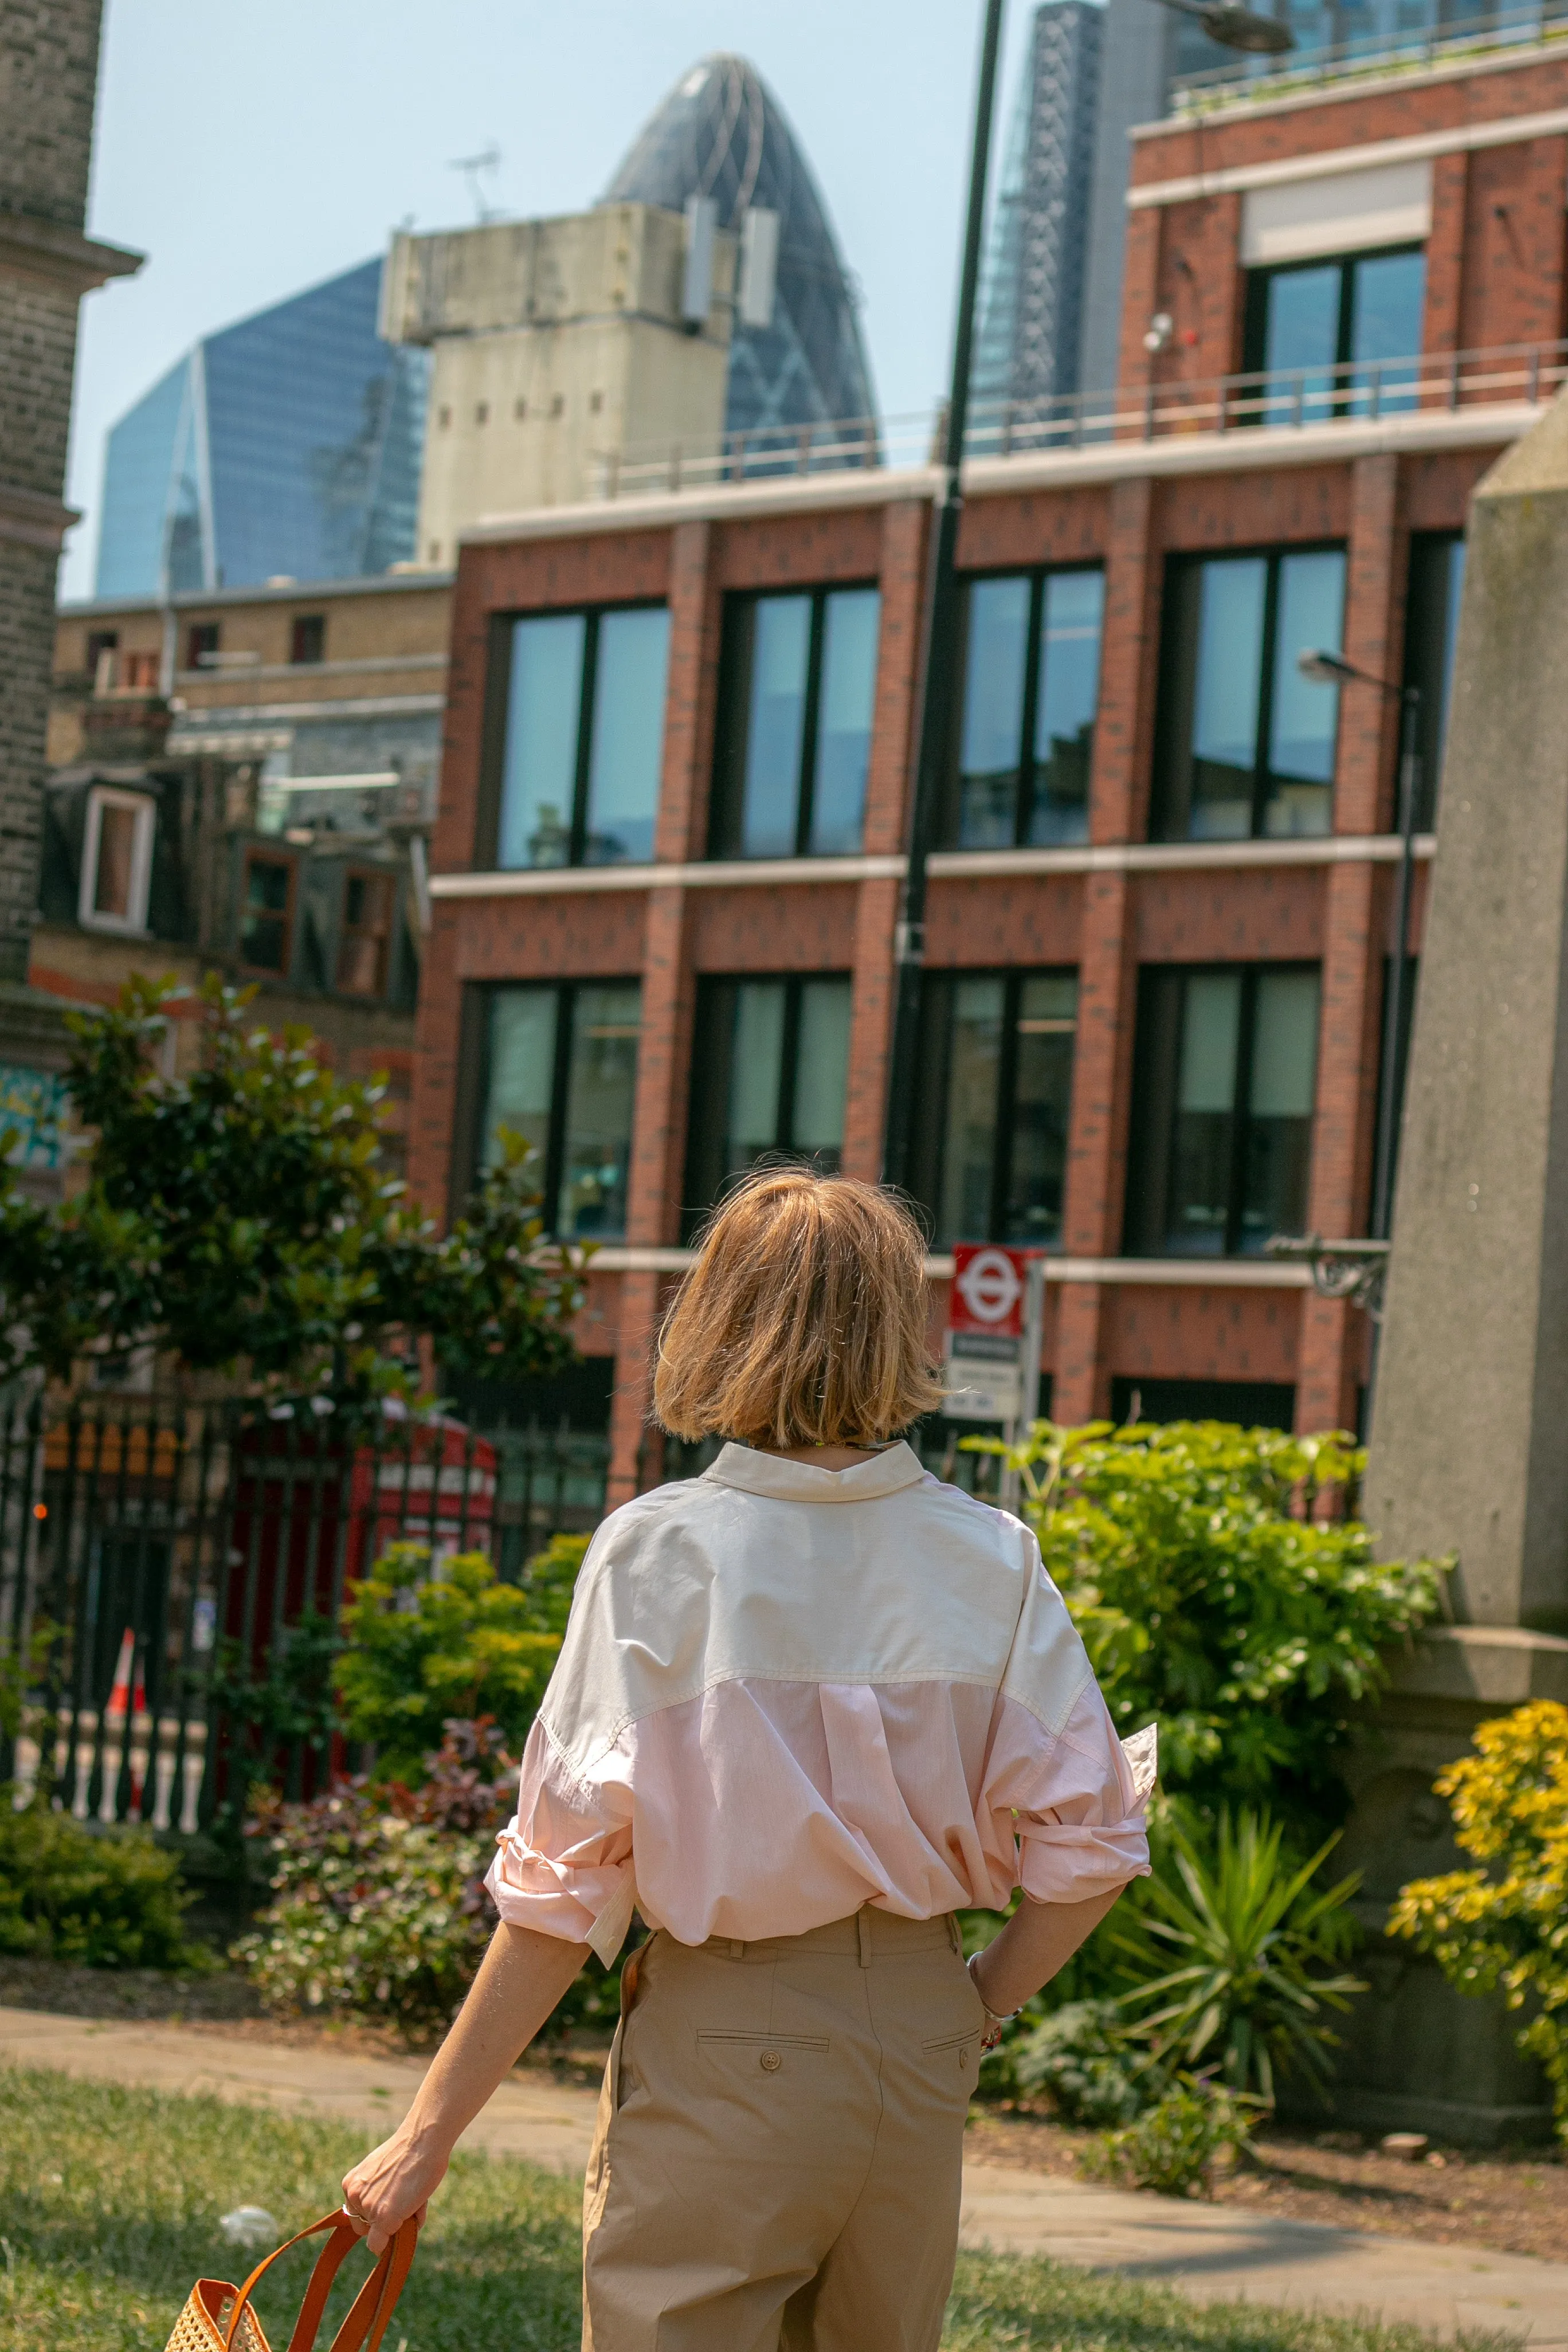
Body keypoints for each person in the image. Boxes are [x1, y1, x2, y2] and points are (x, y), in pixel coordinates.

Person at [342, 1167, 1155, 2350]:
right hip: (920, 2043)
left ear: (718, 1319)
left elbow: (561, 1894)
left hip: (734, 2037)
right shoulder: (992, 1558)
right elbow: (1096, 1843)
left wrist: (424, 2136)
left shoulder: (661, 1554)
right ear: (897, 1328)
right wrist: (972, 2006)